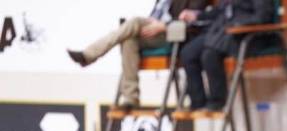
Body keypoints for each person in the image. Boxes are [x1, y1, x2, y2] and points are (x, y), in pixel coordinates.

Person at [66, 0, 207, 110]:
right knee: (129, 39)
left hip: (174, 34)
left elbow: (195, 19)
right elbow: (155, 16)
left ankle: (89, 55)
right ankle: (130, 98)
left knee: (133, 22)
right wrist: (153, 24)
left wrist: (163, 25)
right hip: (155, 31)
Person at [180, 0, 275, 111]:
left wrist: (236, 24)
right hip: (222, 31)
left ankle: (217, 102)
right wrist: (197, 15)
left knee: (209, 54)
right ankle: (198, 102)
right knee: (188, 53)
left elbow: (263, 16)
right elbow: (220, 11)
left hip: (245, 34)